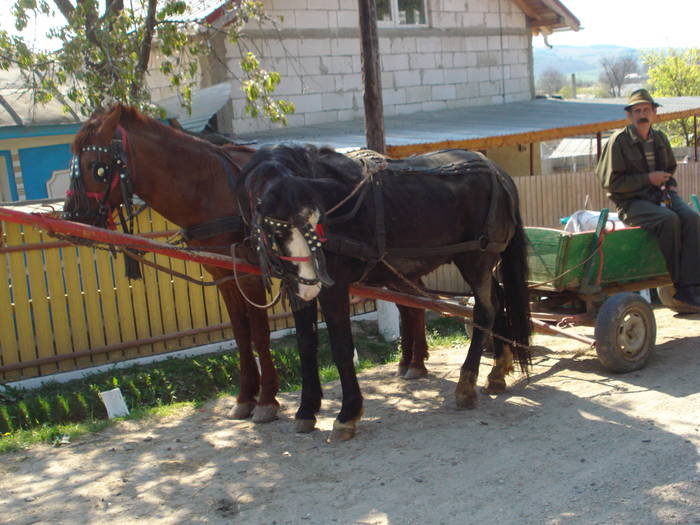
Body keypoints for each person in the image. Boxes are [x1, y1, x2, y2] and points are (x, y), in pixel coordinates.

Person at [596, 88, 700, 308]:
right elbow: (612, 184)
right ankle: (680, 283)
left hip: (661, 196)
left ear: (654, 112)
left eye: (646, 109)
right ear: (629, 115)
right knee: (668, 219)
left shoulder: (660, 138)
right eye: (637, 110)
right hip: (631, 203)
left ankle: (692, 286)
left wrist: (668, 183)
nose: (641, 114)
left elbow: (669, 168)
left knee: (692, 218)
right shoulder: (618, 142)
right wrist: (648, 179)